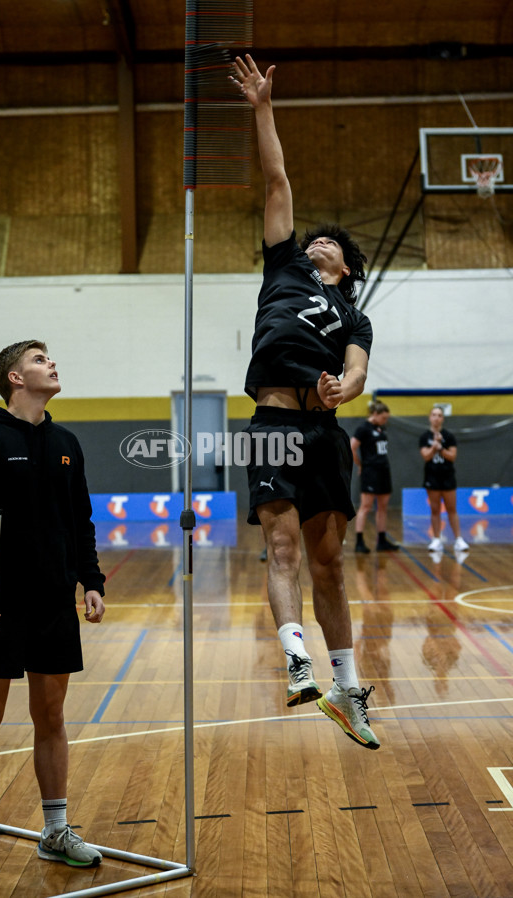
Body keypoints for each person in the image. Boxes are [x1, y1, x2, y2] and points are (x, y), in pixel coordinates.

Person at [233, 54, 380, 750]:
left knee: (330, 564)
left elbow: (355, 375)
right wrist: (263, 107)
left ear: (346, 269)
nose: (320, 239)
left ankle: (348, 689)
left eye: (334, 244)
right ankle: (298, 662)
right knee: (282, 548)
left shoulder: (354, 317)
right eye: (316, 236)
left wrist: (339, 391)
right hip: (271, 422)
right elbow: (277, 179)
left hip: (323, 431)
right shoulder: (284, 266)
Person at [0, 340, 106, 882]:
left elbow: (80, 518)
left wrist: (90, 581)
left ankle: (55, 832)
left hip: (55, 602)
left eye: (51, 357)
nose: (51, 363)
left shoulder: (66, 442)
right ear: (14, 377)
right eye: (39, 359)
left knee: (52, 717)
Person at [351, 400, 400, 553]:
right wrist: (361, 465)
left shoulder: (381, 428)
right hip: (370, 471)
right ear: (375, 414)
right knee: (366, 506)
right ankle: (359, 541)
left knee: (383, 507)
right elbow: (352, 447)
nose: (385, 421)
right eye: (384, 418)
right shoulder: (363, 429)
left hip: (384, 470)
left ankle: (382, 540)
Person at [419, 404, 469, 553]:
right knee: (435, 510)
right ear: (430, 417)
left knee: (451, 509)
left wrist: (440, 447)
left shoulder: (449, 436)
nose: (436, 418)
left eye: (439, 415)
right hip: (432, 477)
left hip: (447, 477)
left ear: (443, 419)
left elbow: (452, 456)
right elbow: (426, 456)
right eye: (434, 415)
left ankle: (459, 540)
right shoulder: (424, 437)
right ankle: (436, 540)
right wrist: (434, 447)